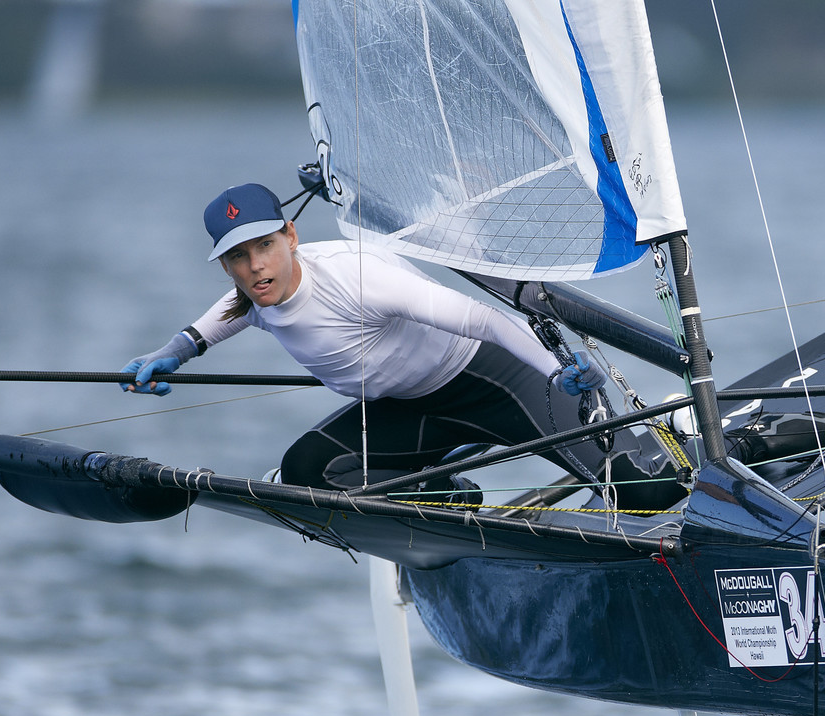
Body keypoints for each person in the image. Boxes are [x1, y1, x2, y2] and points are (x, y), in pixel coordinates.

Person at [120, 183, 675, 509]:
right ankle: (452, 496)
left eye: (264, 246)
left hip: (502, 377)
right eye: (238, 257)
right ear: (225, 265)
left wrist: (556, 368)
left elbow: (486, 320)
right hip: (412, 408)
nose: (255, 267)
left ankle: (704, 440)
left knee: (642, 494)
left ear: (290, 236)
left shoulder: (358, 278)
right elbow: (219, 320)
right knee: (308, 473)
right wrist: (174, 351)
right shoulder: (251, 297)